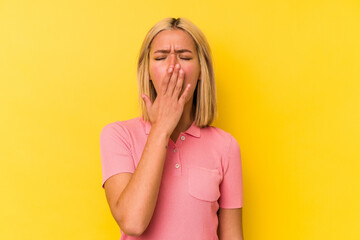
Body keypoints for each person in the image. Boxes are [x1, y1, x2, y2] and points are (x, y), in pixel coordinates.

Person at [100, 17, 244, 240]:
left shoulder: (226, 146)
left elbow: (233, 236)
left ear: (201, 72)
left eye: (185, 56)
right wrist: (160, 129)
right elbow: (132, 222)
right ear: (147, 71)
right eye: (160, 57)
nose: (173, 66)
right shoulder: (118, 136)